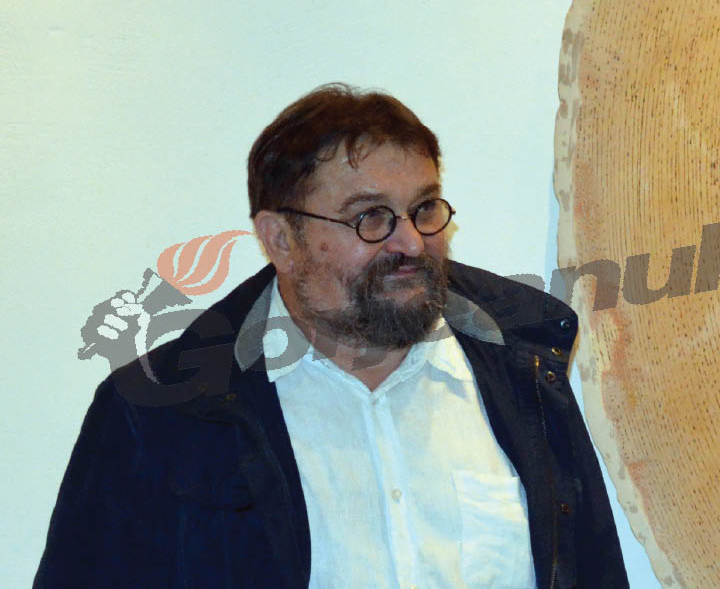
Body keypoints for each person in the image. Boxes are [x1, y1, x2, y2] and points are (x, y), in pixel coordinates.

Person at [35, 84, 628, 588]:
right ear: (280, 240)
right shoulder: (159, 413)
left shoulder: (525, 370)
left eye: (424, 209)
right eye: (370, 217)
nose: (410, 243)